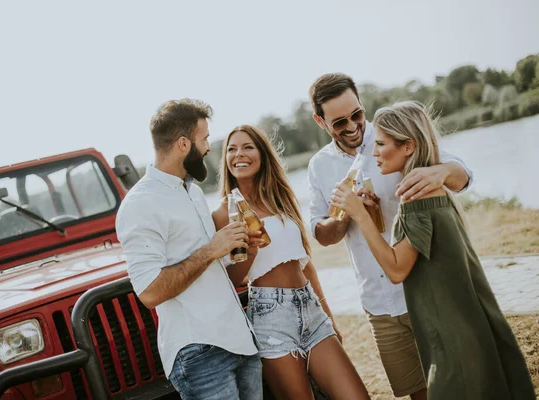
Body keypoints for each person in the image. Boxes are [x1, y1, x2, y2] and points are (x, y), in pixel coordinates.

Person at [332, 100, 535, 399]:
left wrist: (360, 217)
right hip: (467, 324)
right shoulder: (433, 189)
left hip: (452, 335)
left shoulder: (416, 198)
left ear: (408, 146)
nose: (373, 152)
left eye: (381, 144)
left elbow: (396, 269)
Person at [307, 73, 474, 400]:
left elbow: (461, 174)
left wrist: (439, 171)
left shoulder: (391, 133)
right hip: (379, 302)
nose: (353, 126)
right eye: (340, 121)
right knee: (418, 392)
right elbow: (321, 234)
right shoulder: (319, 166)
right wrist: (344, 215)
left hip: (426, 288)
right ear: (320, 121)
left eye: (357, 114)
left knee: (457, 385)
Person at [116, 99, 263, 400]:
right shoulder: (139, 205)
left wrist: (249, 248)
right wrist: (212, 250)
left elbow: (217, 277)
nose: (209, 147)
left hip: (240, 340)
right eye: (205, 138)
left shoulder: (193, 192)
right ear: (184, 144)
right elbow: (150, 293)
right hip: (200, 354)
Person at [212, 124, 369, 400]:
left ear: (262, 155)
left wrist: (328, 316)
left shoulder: (280, 198)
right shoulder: (224, 213)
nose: (239, 154)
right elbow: (233, 281)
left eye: (248, 147)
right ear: (225, 159)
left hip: (311, 309)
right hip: (270, 318)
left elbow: (304, 264)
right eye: (232, 149)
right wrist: (251, 249)